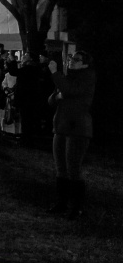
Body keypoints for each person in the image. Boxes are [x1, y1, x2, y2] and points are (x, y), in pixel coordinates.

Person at [47, 51, 96, 220]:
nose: (71, 62)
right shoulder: (67, 77)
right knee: (60, 167)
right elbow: (52, 101)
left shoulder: (87, 77)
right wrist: (57, 95)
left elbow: (70, 91)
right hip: (61, 126)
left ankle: (76, 207)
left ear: (85, 64)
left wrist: (55, 73)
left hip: (77, 128)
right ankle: (62, 202)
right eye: (70, 59)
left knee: (73, 168)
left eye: (76, 60)